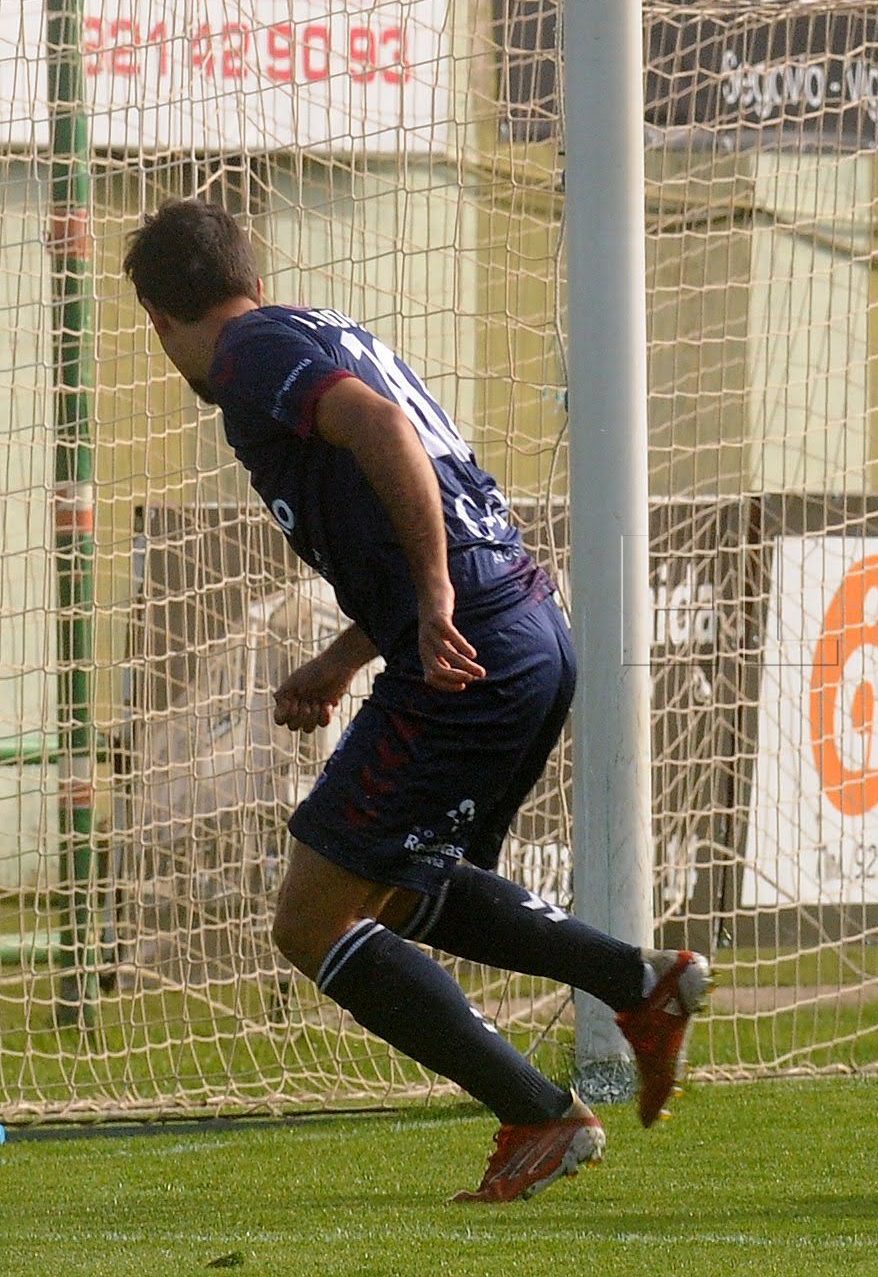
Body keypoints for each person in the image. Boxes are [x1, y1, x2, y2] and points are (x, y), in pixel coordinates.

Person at [123, 198, 710, 1202]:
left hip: (471, 635)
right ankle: (636, 983)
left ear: (157, 316)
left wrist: (431, 601)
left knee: (312, 920)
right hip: (522, 626)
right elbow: (427, 480)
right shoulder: (317, 329)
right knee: (396, 888)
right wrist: (357, 650)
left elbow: (383, 429)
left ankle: (540, 1110)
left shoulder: (247, 356)